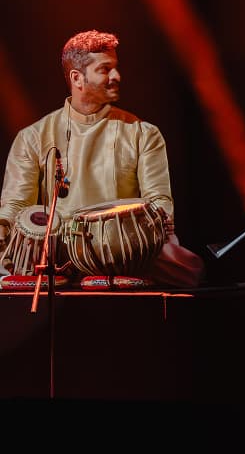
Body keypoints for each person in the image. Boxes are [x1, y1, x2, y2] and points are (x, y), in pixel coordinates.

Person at [0, 30, 203, 287]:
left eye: (115, 68)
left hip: (126, 248)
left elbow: (160, 202)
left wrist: (137, 234)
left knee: (189, 269)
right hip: (58, 249)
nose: (117, 77)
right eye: (105, 69)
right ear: (77, 78)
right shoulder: (33, 137)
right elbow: (16, 207)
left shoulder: (143, 133)